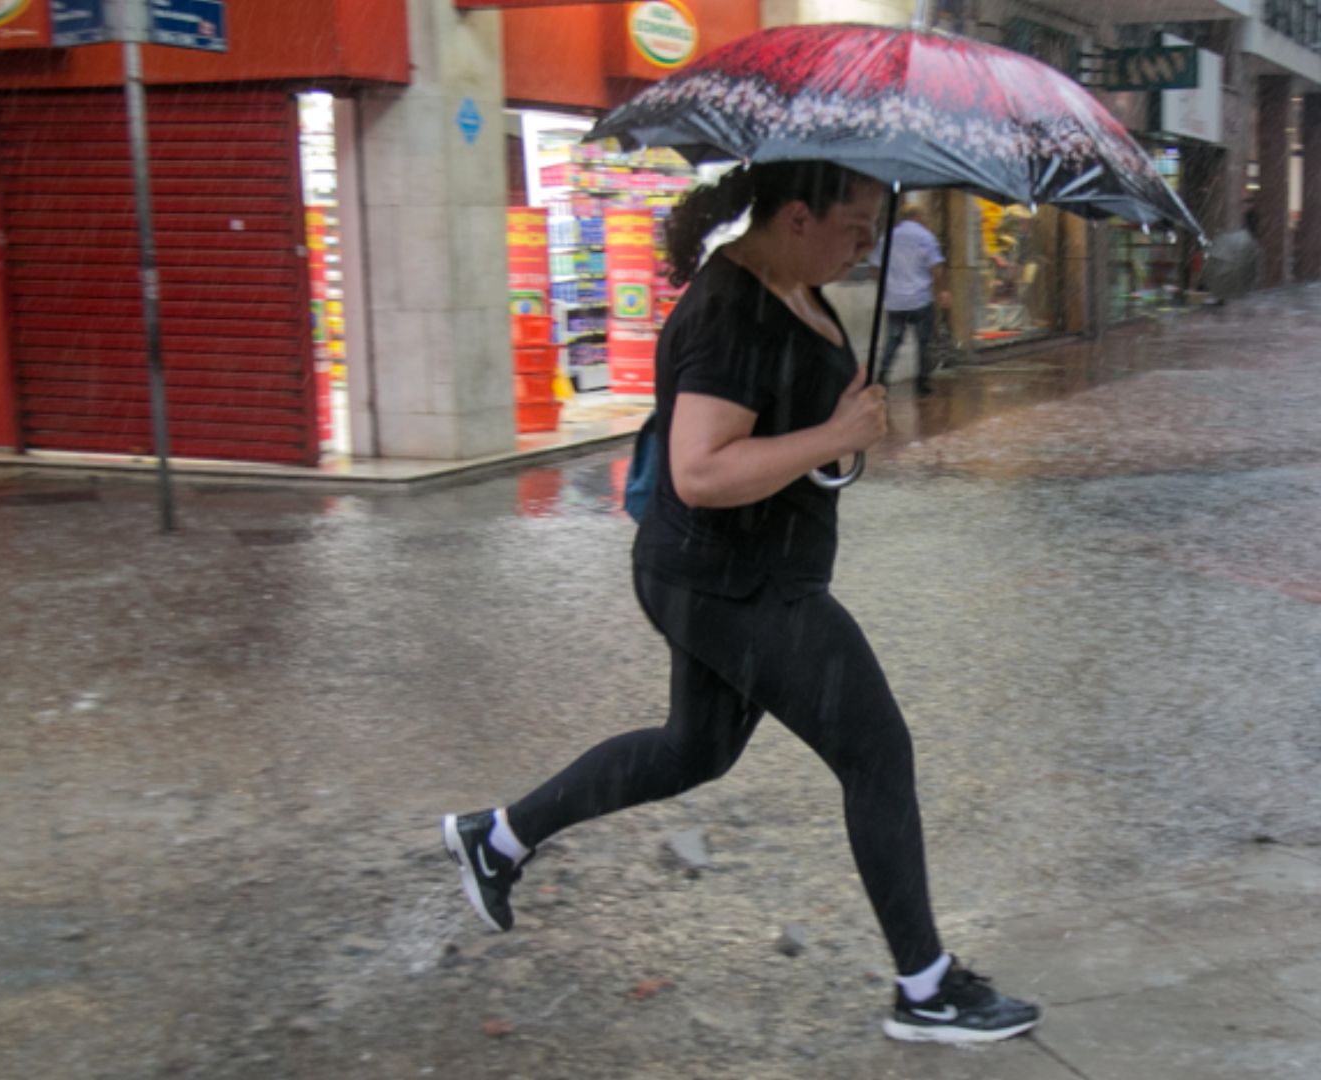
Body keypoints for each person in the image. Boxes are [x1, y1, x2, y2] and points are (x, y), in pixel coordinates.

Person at [441, 161, 1040, 1046]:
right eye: (857, 226)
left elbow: (779, 430)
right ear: (799, 216)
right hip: (732, 581)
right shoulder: (733, 309)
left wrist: (830, 451)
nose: (866, 245)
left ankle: (496, 839)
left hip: (742, 572)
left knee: (695, 749)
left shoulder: (797, 284)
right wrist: (833, 436)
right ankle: (926, 986)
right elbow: (701, 470)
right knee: (877, 753)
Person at [876, 205, 950, 397]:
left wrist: (888, 286)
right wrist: (942, 290)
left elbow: (876, 267)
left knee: (893, 340)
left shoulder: (887, 238)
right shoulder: (926, 237)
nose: (926, 219)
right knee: (923, 342)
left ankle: (882, 377)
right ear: (917, 216)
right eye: (924, 216)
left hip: (895, 301)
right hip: (920, 299)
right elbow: (936, 267)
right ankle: (922, 383)